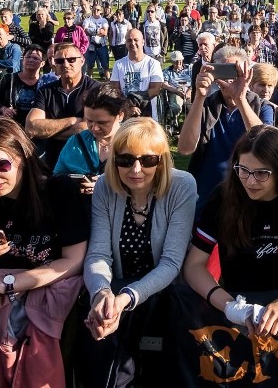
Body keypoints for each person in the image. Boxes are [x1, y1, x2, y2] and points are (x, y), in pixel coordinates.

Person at [0, 118, 89, 387]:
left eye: (1, 165)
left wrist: (2, 286)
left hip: (45, 289)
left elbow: (74, 262)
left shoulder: (58, 191)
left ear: (23, 158)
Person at [183, 125, 278, 337]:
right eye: (243, 170)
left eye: (262, 173)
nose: (251, 181)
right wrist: (230, 306)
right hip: (237, 306)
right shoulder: (223, 197)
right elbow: (194, 265)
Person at [82, 117, 197, 385]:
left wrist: (125, 299)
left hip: (165, 293)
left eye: (147, 160)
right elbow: (98, 254)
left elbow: (171, 263)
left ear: (162, 160)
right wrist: (101, 293)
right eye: (125, 160)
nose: (136, 169)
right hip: (115, 291)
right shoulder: (105, 187)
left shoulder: (182, 185)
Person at [177, 46, 274, 215]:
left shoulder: (262, 106)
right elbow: (185, 149)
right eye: (224, 71)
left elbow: (268, 145)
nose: (229, 79)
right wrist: (199, 96)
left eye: (235, 71)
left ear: (247, 74)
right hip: (208, 196)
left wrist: (241, 98)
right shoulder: (206, 105)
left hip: (248, 196)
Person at [26, 43, 101, 169]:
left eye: (71, 60)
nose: (65, 64)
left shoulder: (96, 89)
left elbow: (86, 128)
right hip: (51, 162)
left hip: (85, 161)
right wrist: (72, 121)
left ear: (82, 60)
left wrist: (47, 131)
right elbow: (31, 128)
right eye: (60, 61)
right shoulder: (45, 91)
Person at [111, 29, 164, 120]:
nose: (132, 43)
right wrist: (129, 106)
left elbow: (156, 89)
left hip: (148, 112)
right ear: (126, 43)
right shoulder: (118, 64)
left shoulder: (153, 64)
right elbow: (115, 89)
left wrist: (136, 102)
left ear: (143, 42)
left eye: (136, 40)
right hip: (124, 112)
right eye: (129, 40)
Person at [0, 44, 45, 127]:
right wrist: (3, 109)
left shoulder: (45, 83)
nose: (31, 60)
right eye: (28, 57)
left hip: (35, 126)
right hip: (11, 125)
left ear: (42, 63)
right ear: (23, 60)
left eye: (36, 58)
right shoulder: (9, 79)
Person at [250, 63, 278, 132]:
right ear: (251, 85)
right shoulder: (241, 107)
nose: (266, 90)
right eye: (262, 85)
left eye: (270, 85)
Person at [161, 51, 192, 132]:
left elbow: (195, 81)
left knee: (192, 109)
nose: (178, 63)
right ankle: (174, 120)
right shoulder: (167, 71)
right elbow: (165, 85)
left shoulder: (189, 68)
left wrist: (189, 91)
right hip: (175, 92)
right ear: (172, 61)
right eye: (175, 62)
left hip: (189, 91)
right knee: (176, 107)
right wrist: (177, 92)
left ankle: (187, 128)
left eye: (180, 61)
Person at [83, 3, 110, 81]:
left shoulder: (103, 20)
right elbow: (85, 31)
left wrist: (91, 30)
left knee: (105, 65)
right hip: (91, 46)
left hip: (102, 46)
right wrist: (98, 31)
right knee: (90, 66)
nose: (96, 11)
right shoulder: (88, 20)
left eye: (98, 10)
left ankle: (108, 82)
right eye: (94, 9)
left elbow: (105, 32)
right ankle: (88, 83)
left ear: (101, 11)